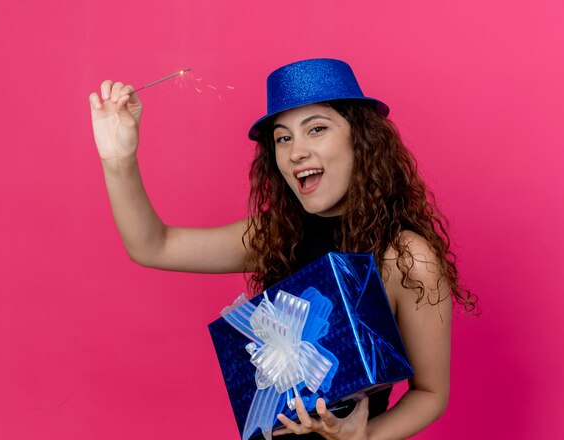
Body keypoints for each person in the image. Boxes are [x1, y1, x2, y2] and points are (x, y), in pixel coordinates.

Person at [88, 58, 476, 440]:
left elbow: (430, 394)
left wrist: (363, 437)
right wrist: (117, 160)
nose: (296, 152)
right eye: (283, 137)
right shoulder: (277, 235)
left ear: (361, 140)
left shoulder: (406, 258)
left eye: (317, 129)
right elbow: (154, 246)